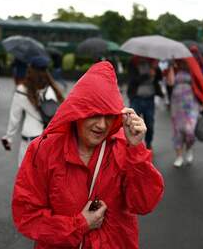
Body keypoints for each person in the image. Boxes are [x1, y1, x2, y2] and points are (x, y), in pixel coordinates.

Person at [12, 61, 164, 248]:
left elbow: (144, 204)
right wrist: (79, 224)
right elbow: (27, 216)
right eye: (94, 114)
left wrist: (137, 150)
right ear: (78, 111)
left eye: (109, 115)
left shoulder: (125, 149)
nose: (102, 125)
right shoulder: (43, 150)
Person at [1, 56, 64, 166]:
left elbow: (14, 118)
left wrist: (8, 138)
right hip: (49, 140)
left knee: (25, 177)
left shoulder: (21, 90)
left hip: (30, 140)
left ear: (30, 70)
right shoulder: (52, 88)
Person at [166, 58, 203, 167]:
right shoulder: (174, 69)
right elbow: (170, 82)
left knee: (189, 130)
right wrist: (170, 66)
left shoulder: (194, 69)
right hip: (177, 105)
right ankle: (179, 156)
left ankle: (189, 149)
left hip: (191, 104)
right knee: (178, 131)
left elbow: (201, 83)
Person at [126, 55, 164, 149]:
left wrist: (156, 69)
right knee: (132, 124)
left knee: (149, 124)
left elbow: (159, 78)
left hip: (149, 99)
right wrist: (148, 75)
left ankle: (148, 144)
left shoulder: (152, 63)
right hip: (136, 98)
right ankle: (133, 145)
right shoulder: (133, 63)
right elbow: (133, 80)